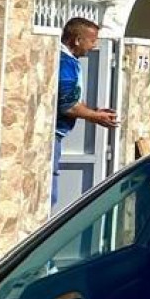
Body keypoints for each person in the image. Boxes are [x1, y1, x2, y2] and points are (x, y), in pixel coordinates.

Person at [54, 17, 119, 206]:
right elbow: (67, 106)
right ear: (76, 40)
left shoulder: (69, 61)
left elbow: (72, 99)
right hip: (54, 136)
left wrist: (94, 111)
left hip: (58, 134)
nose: (94, 46)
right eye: (91, 41)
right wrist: (96, 117)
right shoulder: (65, 64)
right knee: (50, 195)